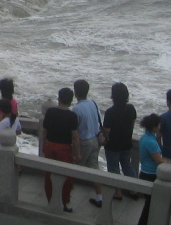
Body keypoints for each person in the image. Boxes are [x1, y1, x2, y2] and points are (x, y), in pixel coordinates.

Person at [40, 87, 80, 212]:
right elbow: (75, 137)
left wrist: (43, 146)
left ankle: (50, 200)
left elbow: (44, 132)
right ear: (71, 100)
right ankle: (65, 203)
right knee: (66, 176)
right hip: (64, 148)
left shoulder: (50, 112)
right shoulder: (72, 115)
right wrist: (78, 153)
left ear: (59, 98)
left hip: (50, 145)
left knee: (49, 175)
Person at [101, 82, 139, 201]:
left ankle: (117, 192)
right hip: (127, 142)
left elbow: (107, 129)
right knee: (127, 166)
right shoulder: (131, 108)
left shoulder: (110, 112)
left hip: (113, 145)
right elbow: (132, 123)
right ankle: (133, 189)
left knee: (113, 168)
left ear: (113, 96)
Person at [73, 79, 104, 207]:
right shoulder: (93, 103)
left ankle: (66, 195)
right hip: (95, 140)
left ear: (75, 92)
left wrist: (78, 152)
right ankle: (99, 197)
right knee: (94, 169)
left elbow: (75, 133)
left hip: (84, 142)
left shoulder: (76, 109)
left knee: (72, 169)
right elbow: (98, 121)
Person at [136, 113, 168, 225]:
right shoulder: (151, 142)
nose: (159, 127)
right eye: (158, 125)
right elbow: (159, 161)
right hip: (151, 174)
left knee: (149, 203)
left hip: (144, 172)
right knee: (151, 203)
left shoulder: (145, 138)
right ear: (154, 127)